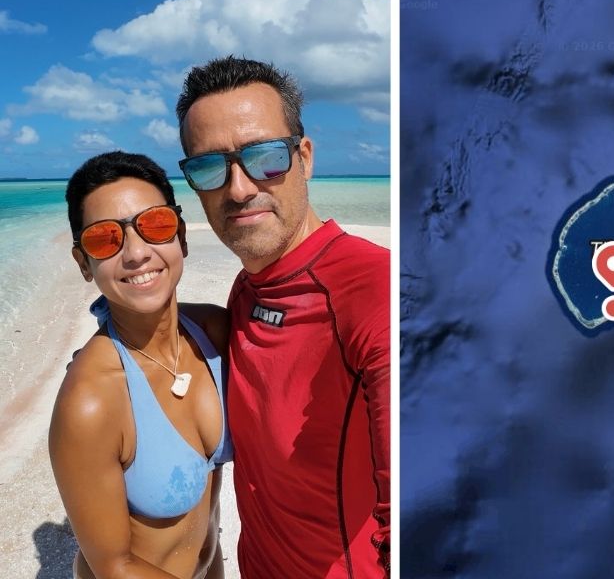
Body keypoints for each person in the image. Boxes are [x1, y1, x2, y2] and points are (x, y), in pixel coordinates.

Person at [175, 56, 390, 577]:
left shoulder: (373, 292)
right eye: (209, 167)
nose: (240, 188)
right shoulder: (247, 288)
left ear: (305, 157)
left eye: (266, 157)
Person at [50, 152, 232, 578]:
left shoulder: (214, 332)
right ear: (83, 263)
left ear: (181, 237)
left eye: (155, 225)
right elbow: (114, 567)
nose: (135, 253)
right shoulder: (91, 400)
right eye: (104, 240)